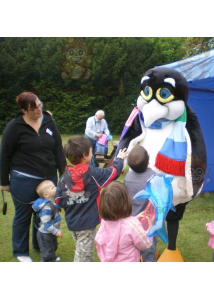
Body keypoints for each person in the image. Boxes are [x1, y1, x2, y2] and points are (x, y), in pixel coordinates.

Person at [0, 92, 66, 262]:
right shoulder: (13, 127)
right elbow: (4, 155)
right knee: (23, 216)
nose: (39, 108)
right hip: (23, 179)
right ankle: (21, 252)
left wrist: (64, 174)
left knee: (45, 214)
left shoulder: (48, 120)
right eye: (34, 107)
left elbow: (58, 148)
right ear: (23, 110)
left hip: (48, 178)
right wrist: (3, 182)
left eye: (39, 104)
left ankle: (41, 246)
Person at [55, 136, 128, 262]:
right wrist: (120, 159)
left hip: (72, 221)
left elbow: (58, 199)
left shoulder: (65, 176)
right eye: (91, 150)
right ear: (85, 155)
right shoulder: (93, 173)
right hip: (88, 223)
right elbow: (113, 172)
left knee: (83, 249)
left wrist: (72, 204)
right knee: (82, 255)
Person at [95, 181, 154, 262]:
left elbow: (119, 227)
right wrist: (151, 228)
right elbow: (145, 243)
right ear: (126, 201)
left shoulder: (104, 222)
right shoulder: (132, 225)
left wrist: (134, 220)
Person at [124, 145, 158, 262]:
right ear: (148, 161)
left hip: (132, 223)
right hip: (148, 226)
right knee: (149, 253)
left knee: (133, 253)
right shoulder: (154, 177)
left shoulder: (127, 177)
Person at [32, 180, 62, 262]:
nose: (55, 188)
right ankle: (47, 260)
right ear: (46, 194)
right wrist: (55, 231)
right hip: (45, 233)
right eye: (52, 188)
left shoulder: (53, 201)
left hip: (51, 231)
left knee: (53, 245)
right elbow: (46, 223)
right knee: (46, 249)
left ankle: (52, 256)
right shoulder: (47, 208)